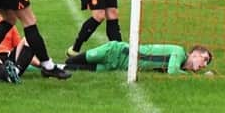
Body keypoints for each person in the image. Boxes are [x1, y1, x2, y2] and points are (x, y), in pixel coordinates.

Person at [64, 41, 212, 74]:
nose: (204, 65)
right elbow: (172, 71)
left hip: (118, 66)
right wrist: (197, 77)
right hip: (116, 50)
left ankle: (48, 70)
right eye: (204, 59)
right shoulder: (178, 52)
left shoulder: (180, 67)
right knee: (71, 61)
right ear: (194, 54)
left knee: (73, 69)